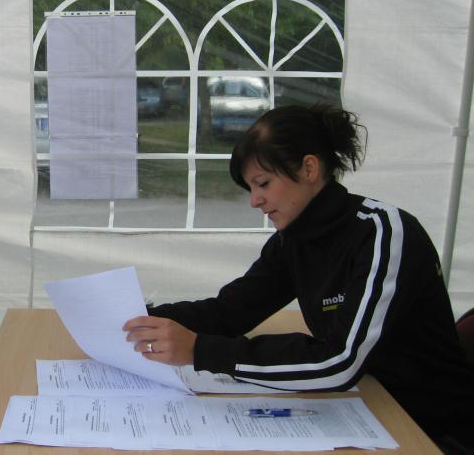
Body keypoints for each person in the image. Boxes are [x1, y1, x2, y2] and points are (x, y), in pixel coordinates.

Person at [123, 103, 474, 454]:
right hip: (365, 408)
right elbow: (229, 311)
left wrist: (200, 350)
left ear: (309, 168)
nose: (255, 201)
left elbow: (341, 361)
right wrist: (139, 317)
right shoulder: (293, 241)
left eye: (263, 183)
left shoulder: (382, 233)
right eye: (251, 188)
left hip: (429, 427)